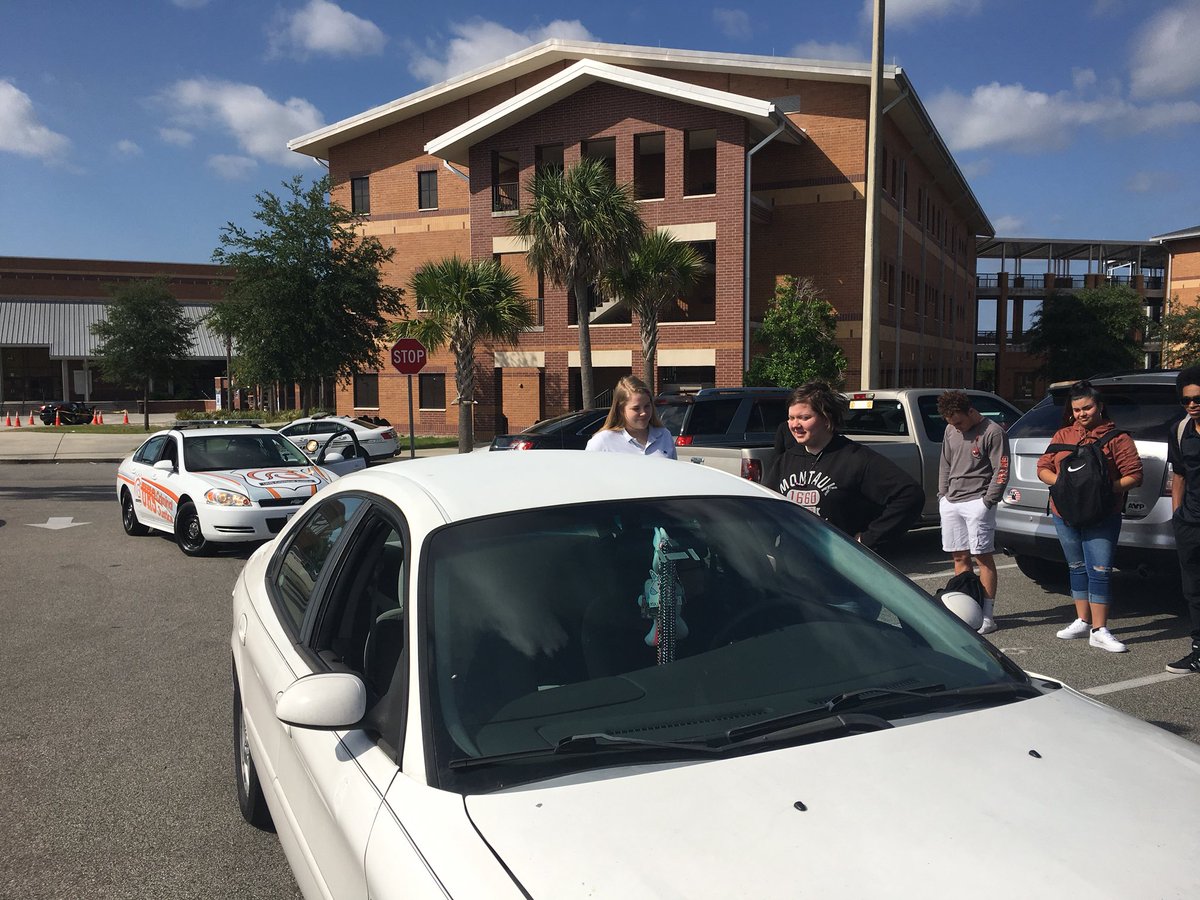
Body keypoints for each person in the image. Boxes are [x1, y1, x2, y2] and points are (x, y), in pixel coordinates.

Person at [1037, 380, 1142, 653]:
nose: (1082, 413)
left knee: (1100, 570)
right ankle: (1083, 620)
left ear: (1100, 407)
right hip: (1065, 513)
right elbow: (1043, 467)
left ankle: (1100, 629)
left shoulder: (1118, 438)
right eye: (1077, 409)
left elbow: (1135, 475)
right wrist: (1062, 486)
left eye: (1087, 407)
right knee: (1076, 566)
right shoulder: (1062, 436)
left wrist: (1105, 489)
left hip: (1103, 513)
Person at [765, 382, 923, 550]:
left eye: (804, 418)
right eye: (791, 418)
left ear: (827, 419)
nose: (795, 425)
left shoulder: (856, 458)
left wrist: (867, 540)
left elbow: (909, 495)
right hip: (793, 562)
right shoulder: (786, 460)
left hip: (837, 567)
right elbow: (767, 508)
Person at [936, 390, 1009, 635]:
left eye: (959, 422)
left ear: (971, 411)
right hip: (952, 501)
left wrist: (988, 501)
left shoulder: (993, 432)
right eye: (951, 423)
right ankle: (967, 612)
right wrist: (942, 495)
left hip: (978, 502)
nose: (956, 427)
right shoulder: (950, 430)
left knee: (983, 558)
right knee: (959, 558)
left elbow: (1001, 468)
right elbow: (945, 462)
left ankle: (987, 616)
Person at [1166, 366, 1200, 674]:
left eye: (1197, 398)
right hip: (1190, 523)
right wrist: (1178, 515)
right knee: (1193, 592)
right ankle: (1198, 650)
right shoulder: (1180, 430)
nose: (1192, 405)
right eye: (1186, 400)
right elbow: (1179, 474)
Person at [585, 375, 677, 458]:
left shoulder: (664, 435)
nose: (643, 412)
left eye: (647, 406)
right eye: (636, 408)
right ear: (621, 410)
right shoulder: (602, 441)